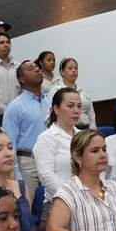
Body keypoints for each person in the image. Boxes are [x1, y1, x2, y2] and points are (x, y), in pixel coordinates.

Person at [34, 88, 85, 220]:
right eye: (70, 106)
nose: (76, 110)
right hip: (58, 203)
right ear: (56, 109)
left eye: (79, 106)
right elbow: (46, 176)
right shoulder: (47, 138)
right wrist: (74, 196)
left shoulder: (84, 136)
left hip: (87, 202)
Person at [1, 61, 47, 205]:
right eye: (31, 69)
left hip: (48, 159)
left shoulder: (50, 103)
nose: (37, 70)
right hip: (27, 162)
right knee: (25, 206)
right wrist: (15, 173)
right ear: (21, 79)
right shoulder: (15, 107)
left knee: (51, 204)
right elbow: (9, 143)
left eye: (38, 68)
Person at [49, 57, 96, 128]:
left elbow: (91, 114)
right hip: (66, 129)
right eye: (70, 68)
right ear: (62, 72)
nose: (74, 70)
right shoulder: (56, 90)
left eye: (76, 68)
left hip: (86, 128)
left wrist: (93, 130)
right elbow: (50, 115)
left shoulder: (83, 91)